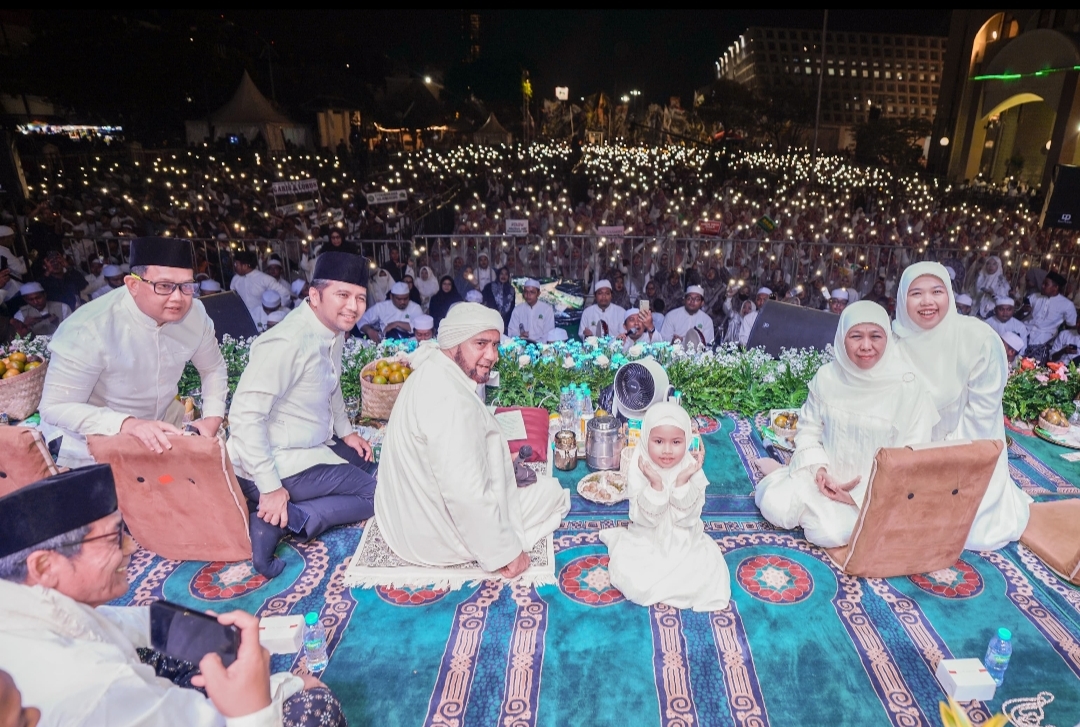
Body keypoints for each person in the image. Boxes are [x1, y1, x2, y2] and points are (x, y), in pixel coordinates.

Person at [0, 465, 343, 726]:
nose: (130, 547)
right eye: (112, 538)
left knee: (184, 638)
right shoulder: (96, 685)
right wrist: (277, 691)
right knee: (313, 707)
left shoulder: (22, 602)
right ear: (44, 566)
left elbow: (130, 623)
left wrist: (211, 633)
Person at [374, 303, 570, 575]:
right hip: (434, 534)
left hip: (404, 518)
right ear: (454, 342)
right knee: (554, 493)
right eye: (480, 343)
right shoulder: (450, 399)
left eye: (495, 345)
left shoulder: (433, 365)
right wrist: (507, 552)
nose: (492, 355)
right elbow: (465, 493)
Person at [228, 251, 378, 578]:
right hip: (268, 463)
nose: (353, 306)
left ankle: (284, 508)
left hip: (307, 444)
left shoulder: (329, 330)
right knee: (378, 493)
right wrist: (269, 488)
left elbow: (332, 384)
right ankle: (290, 518)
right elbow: (244, 417)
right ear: (314, 294)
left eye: (360, 298)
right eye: (342, 295)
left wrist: (347, 432)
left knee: (370, 463)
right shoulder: (287, 342)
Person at [754, 301, 938, 547]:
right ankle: (788, 479)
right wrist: (820, 472)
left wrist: (856, 496)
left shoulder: (910, 387)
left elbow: (913, 457)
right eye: (855, 336)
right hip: (825, 479)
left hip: (880, 493)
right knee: (773, 504)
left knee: (828, 534)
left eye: (875, 336)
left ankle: (793, 484)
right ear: (842, 337)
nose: (865, 346)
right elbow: (808, 430)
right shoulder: (828, 377)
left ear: (888, 338)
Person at [39, 237, 227, 468]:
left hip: (158, 429)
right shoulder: (89, 327)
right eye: (164, 286)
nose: (178, 297)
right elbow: (54, 407)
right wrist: (127, 423)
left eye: (186, 286)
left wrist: (212, 419)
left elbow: (212, 368)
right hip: (88, 441)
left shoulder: (195, 314)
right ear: (133, 285)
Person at [893, 262, 1032, 551]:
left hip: (967, 449)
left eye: (936, 291)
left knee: (972, 531)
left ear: (950, 295)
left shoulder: (978, 340)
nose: (927, 301)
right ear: (902, 298)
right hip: (907, 445)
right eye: (916, 293)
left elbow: (981, 417)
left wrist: (937, 468)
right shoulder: (893, 340)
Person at [599, 402, 730, 612]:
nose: (667, 451)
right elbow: (643, 519)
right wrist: (655, 485)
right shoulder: (640, 466)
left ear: (687, 440)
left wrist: (682, 483)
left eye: (676, 442)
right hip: (647, 539)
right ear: (646, 439)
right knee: (636, 583)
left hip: (685, 541)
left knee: (706, 577)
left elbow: (689, 519)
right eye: (658, 441)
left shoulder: (690, 468)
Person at [1024, 272, 1076, 364]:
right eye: (1043, 283)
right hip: (1024, 335)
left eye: (1046, 284)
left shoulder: (1067, 305)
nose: (1042, 286)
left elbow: (1071, 325)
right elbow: (1022, 314)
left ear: (1055, 287)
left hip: (1043, 342)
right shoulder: (1034, 296)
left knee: (1034, 369)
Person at [229, 251, 290, 322]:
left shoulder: (265, 279)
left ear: (245, 266)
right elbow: (232, 297)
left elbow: (284, 294)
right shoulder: (235, 279)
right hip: (243, 318)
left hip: (263, 319)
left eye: (236, 264)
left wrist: (274, 310)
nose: (235, 266)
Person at [358, 281, 424, 343]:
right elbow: (361, 320)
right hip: (386, 342)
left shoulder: (415, 307)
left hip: (410, 342)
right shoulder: (381, 307)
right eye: (399, 299)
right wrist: (369, 331)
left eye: (405, 298)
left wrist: (396, 324)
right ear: (391, 297)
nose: (402, 302)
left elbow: (421, 327)